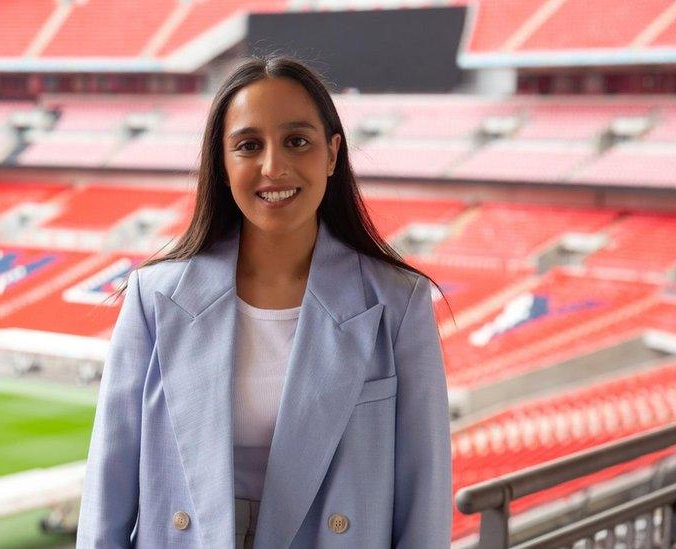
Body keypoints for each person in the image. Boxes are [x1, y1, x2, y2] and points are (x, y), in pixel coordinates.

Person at [76, 55, 453, 548]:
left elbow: (424, 499)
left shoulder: (398, 303)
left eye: (297, 141)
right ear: (222, 161)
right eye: (249, 146)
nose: (273, 167)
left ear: (333, 154)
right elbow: (109, 486)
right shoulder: (155, 298)